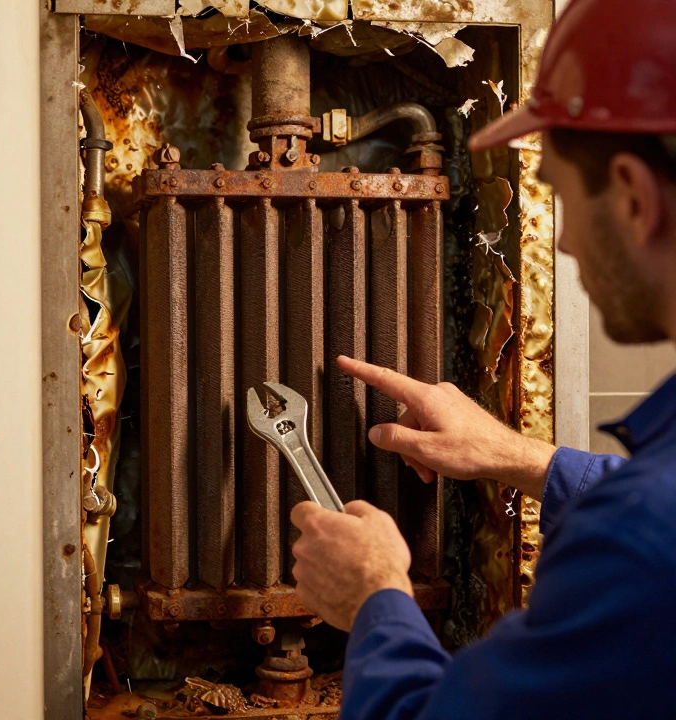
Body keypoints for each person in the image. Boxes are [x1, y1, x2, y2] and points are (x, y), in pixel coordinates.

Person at [288, 0, 676, 716]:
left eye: (565, 199)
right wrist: (518, 458)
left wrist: (375, 597)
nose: (563, 244)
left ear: (632, 197)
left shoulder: (638, 544)